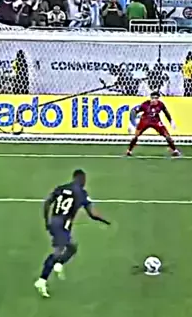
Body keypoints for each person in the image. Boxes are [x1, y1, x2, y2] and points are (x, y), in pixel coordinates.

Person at [34, 169, 110, 298]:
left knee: (72, 247)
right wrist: (105, 221)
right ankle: (42, 280)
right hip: (63, 225)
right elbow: (92, 214)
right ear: (81, 179)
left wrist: (47, 221)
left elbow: (47, 202)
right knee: (57, 252)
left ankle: (58, 264)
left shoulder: (61, 188)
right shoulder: (81, 193)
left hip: (56, 222)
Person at [127, 91, 180, 157]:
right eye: (152, 98)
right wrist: (131, 124)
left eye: (155, 98)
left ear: (158, 98)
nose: (154, 100)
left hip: (156, 121)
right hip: (145, 120)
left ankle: (174, 150)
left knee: (167, 136)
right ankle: (129, 150)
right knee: (136, 136)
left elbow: (166, 113)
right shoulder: (145, 104)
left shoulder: (161, 104)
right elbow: (134, 111)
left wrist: (171, 121)